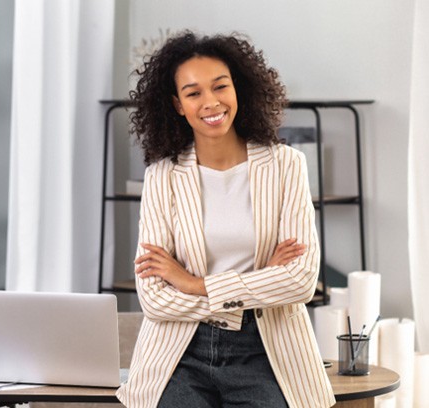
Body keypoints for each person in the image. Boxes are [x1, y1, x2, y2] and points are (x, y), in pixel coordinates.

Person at [116, 31, 335, 408]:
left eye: (220, 86)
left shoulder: (286, 165)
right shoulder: (162, 176)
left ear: (239, 89)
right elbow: (153, 299)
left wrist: (192, 283)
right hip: (179, 352)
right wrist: (259, 283)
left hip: (267, 349)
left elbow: (300, 281)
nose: (211, 102)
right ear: (177, 105)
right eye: (193, 92)